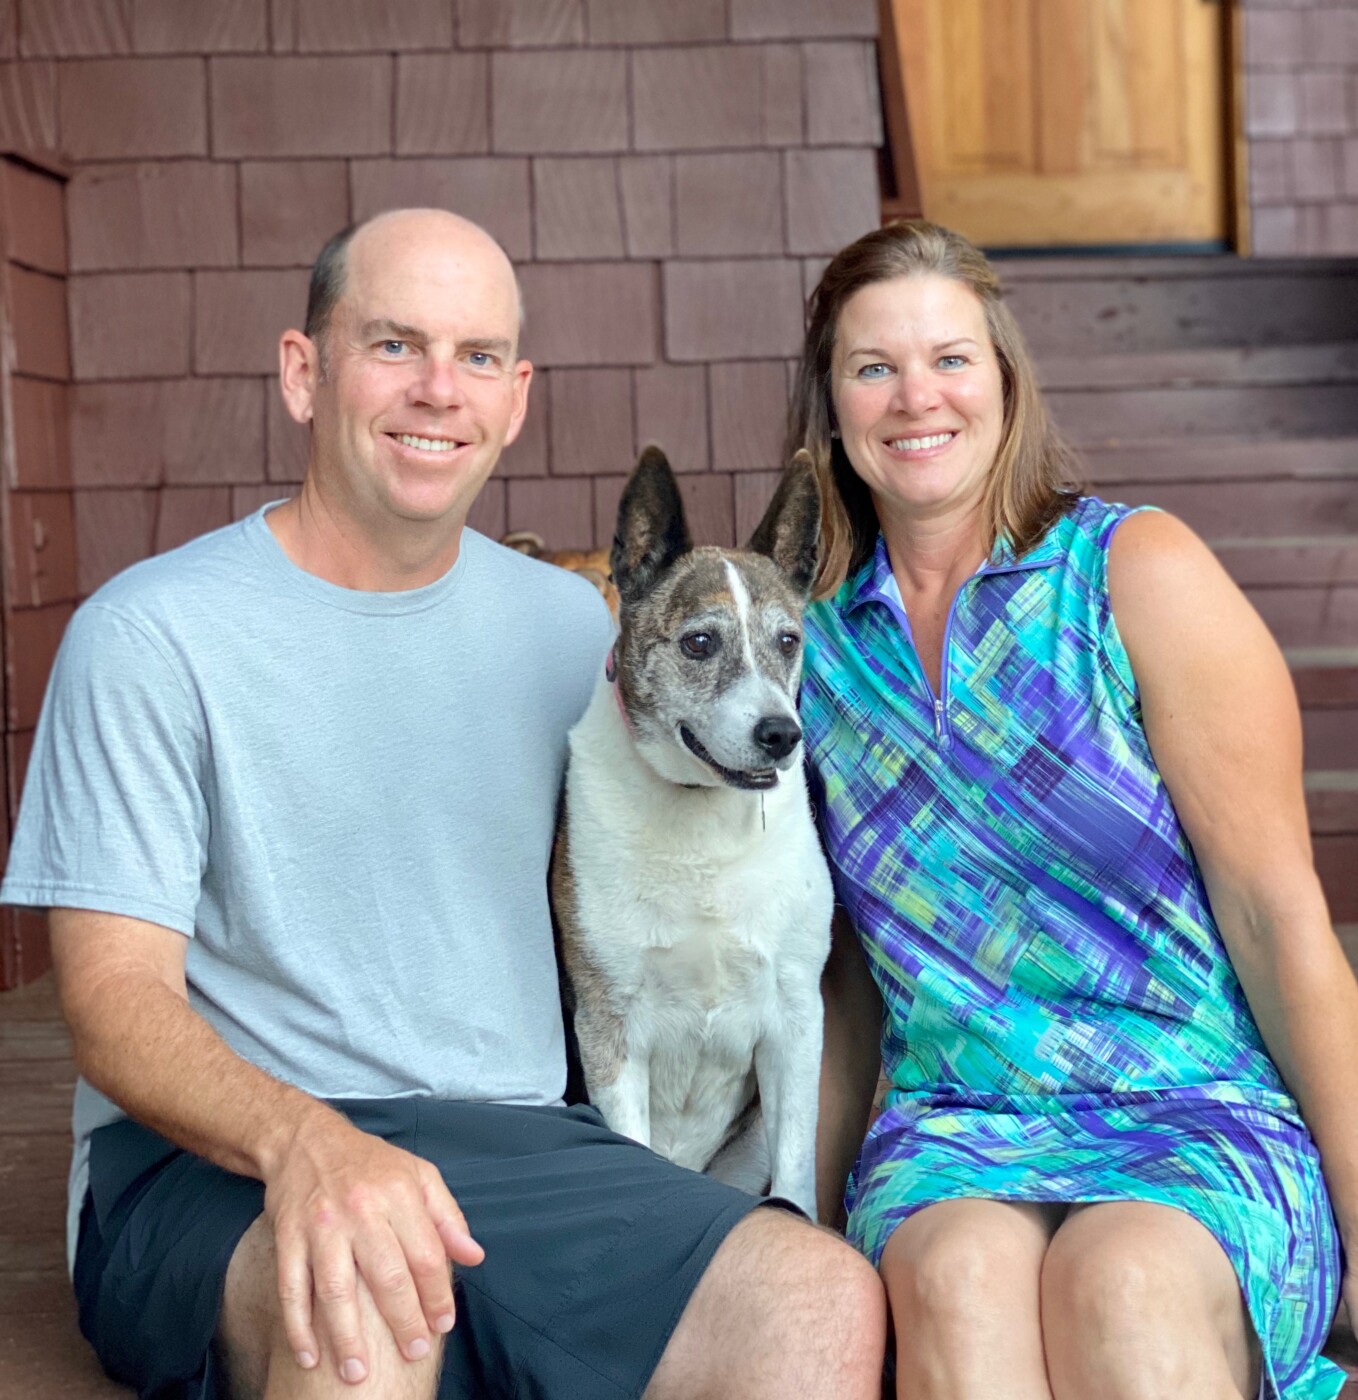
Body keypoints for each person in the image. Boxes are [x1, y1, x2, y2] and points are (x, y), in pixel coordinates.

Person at [1, 208, 886, 1400]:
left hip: (521, 1148)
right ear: (302, 372)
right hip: (220, 1160)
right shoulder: (151, 634)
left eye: (476, 355)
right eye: (392, 344)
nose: (436, 388)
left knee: (819, 1300)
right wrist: (310, 1145)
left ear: (513, 400)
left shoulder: (577, 635)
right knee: (370, 1311)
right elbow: (113, 1008)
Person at [797, 220, 1352, 1400]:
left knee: (1121, 1280)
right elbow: (839, 974)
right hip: (950, 1123)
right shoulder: (811, 647)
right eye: (872, 366)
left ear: (1003, 379)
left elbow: (1275, 915)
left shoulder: (1131, 571)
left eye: (949, 358)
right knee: (954, 1278)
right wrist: (803, 1210)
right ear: (829, 406)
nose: (915, 397)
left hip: (1193, 1106)